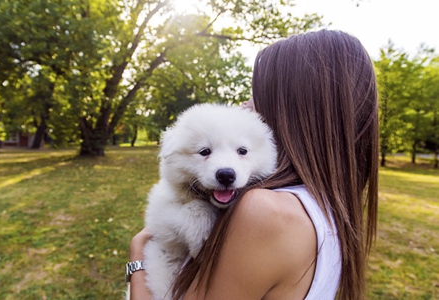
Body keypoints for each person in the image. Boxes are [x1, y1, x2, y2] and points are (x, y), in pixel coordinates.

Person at [128, 29, 379, 300]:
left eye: (255, 94)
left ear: (287, 110)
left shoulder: (266, 212)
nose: (243, 105)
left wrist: (137, 258)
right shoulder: (328, 208)